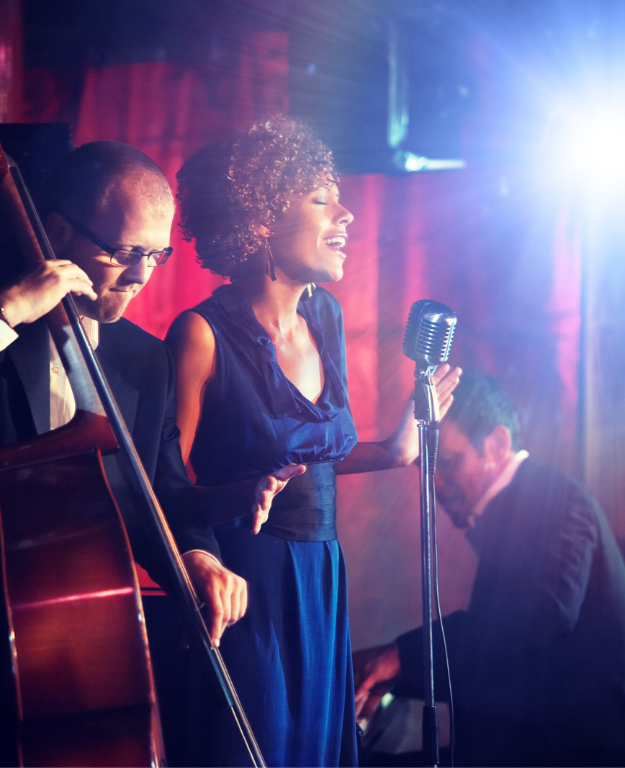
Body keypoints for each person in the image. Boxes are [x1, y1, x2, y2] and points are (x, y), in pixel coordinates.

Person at [0, 140, 298, 766]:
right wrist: (3, 314)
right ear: (57, 229)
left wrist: (195, 555)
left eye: (157, 255)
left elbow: (160, 488)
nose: (142, 275)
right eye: (124, 252)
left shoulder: (144, 359)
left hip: (65, 654)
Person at [166, 116, 460, 767]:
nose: (346, 214)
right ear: (263, 216)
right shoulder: (201, 335)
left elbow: (314, 454)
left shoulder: (323, 313)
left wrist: (395, 447)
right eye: (323, 199)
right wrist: (238, 497)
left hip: (321, 579)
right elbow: (163, 489)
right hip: (249, 583)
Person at [352, 371, 625, 767]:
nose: (437, 483)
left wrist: (404, 657)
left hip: (577, 747)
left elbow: (539, 617)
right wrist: (402, 672)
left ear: (497, 444)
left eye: (447, 462)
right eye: (427, 470)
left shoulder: (555, 498)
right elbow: (505, 658)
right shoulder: (521, 505)